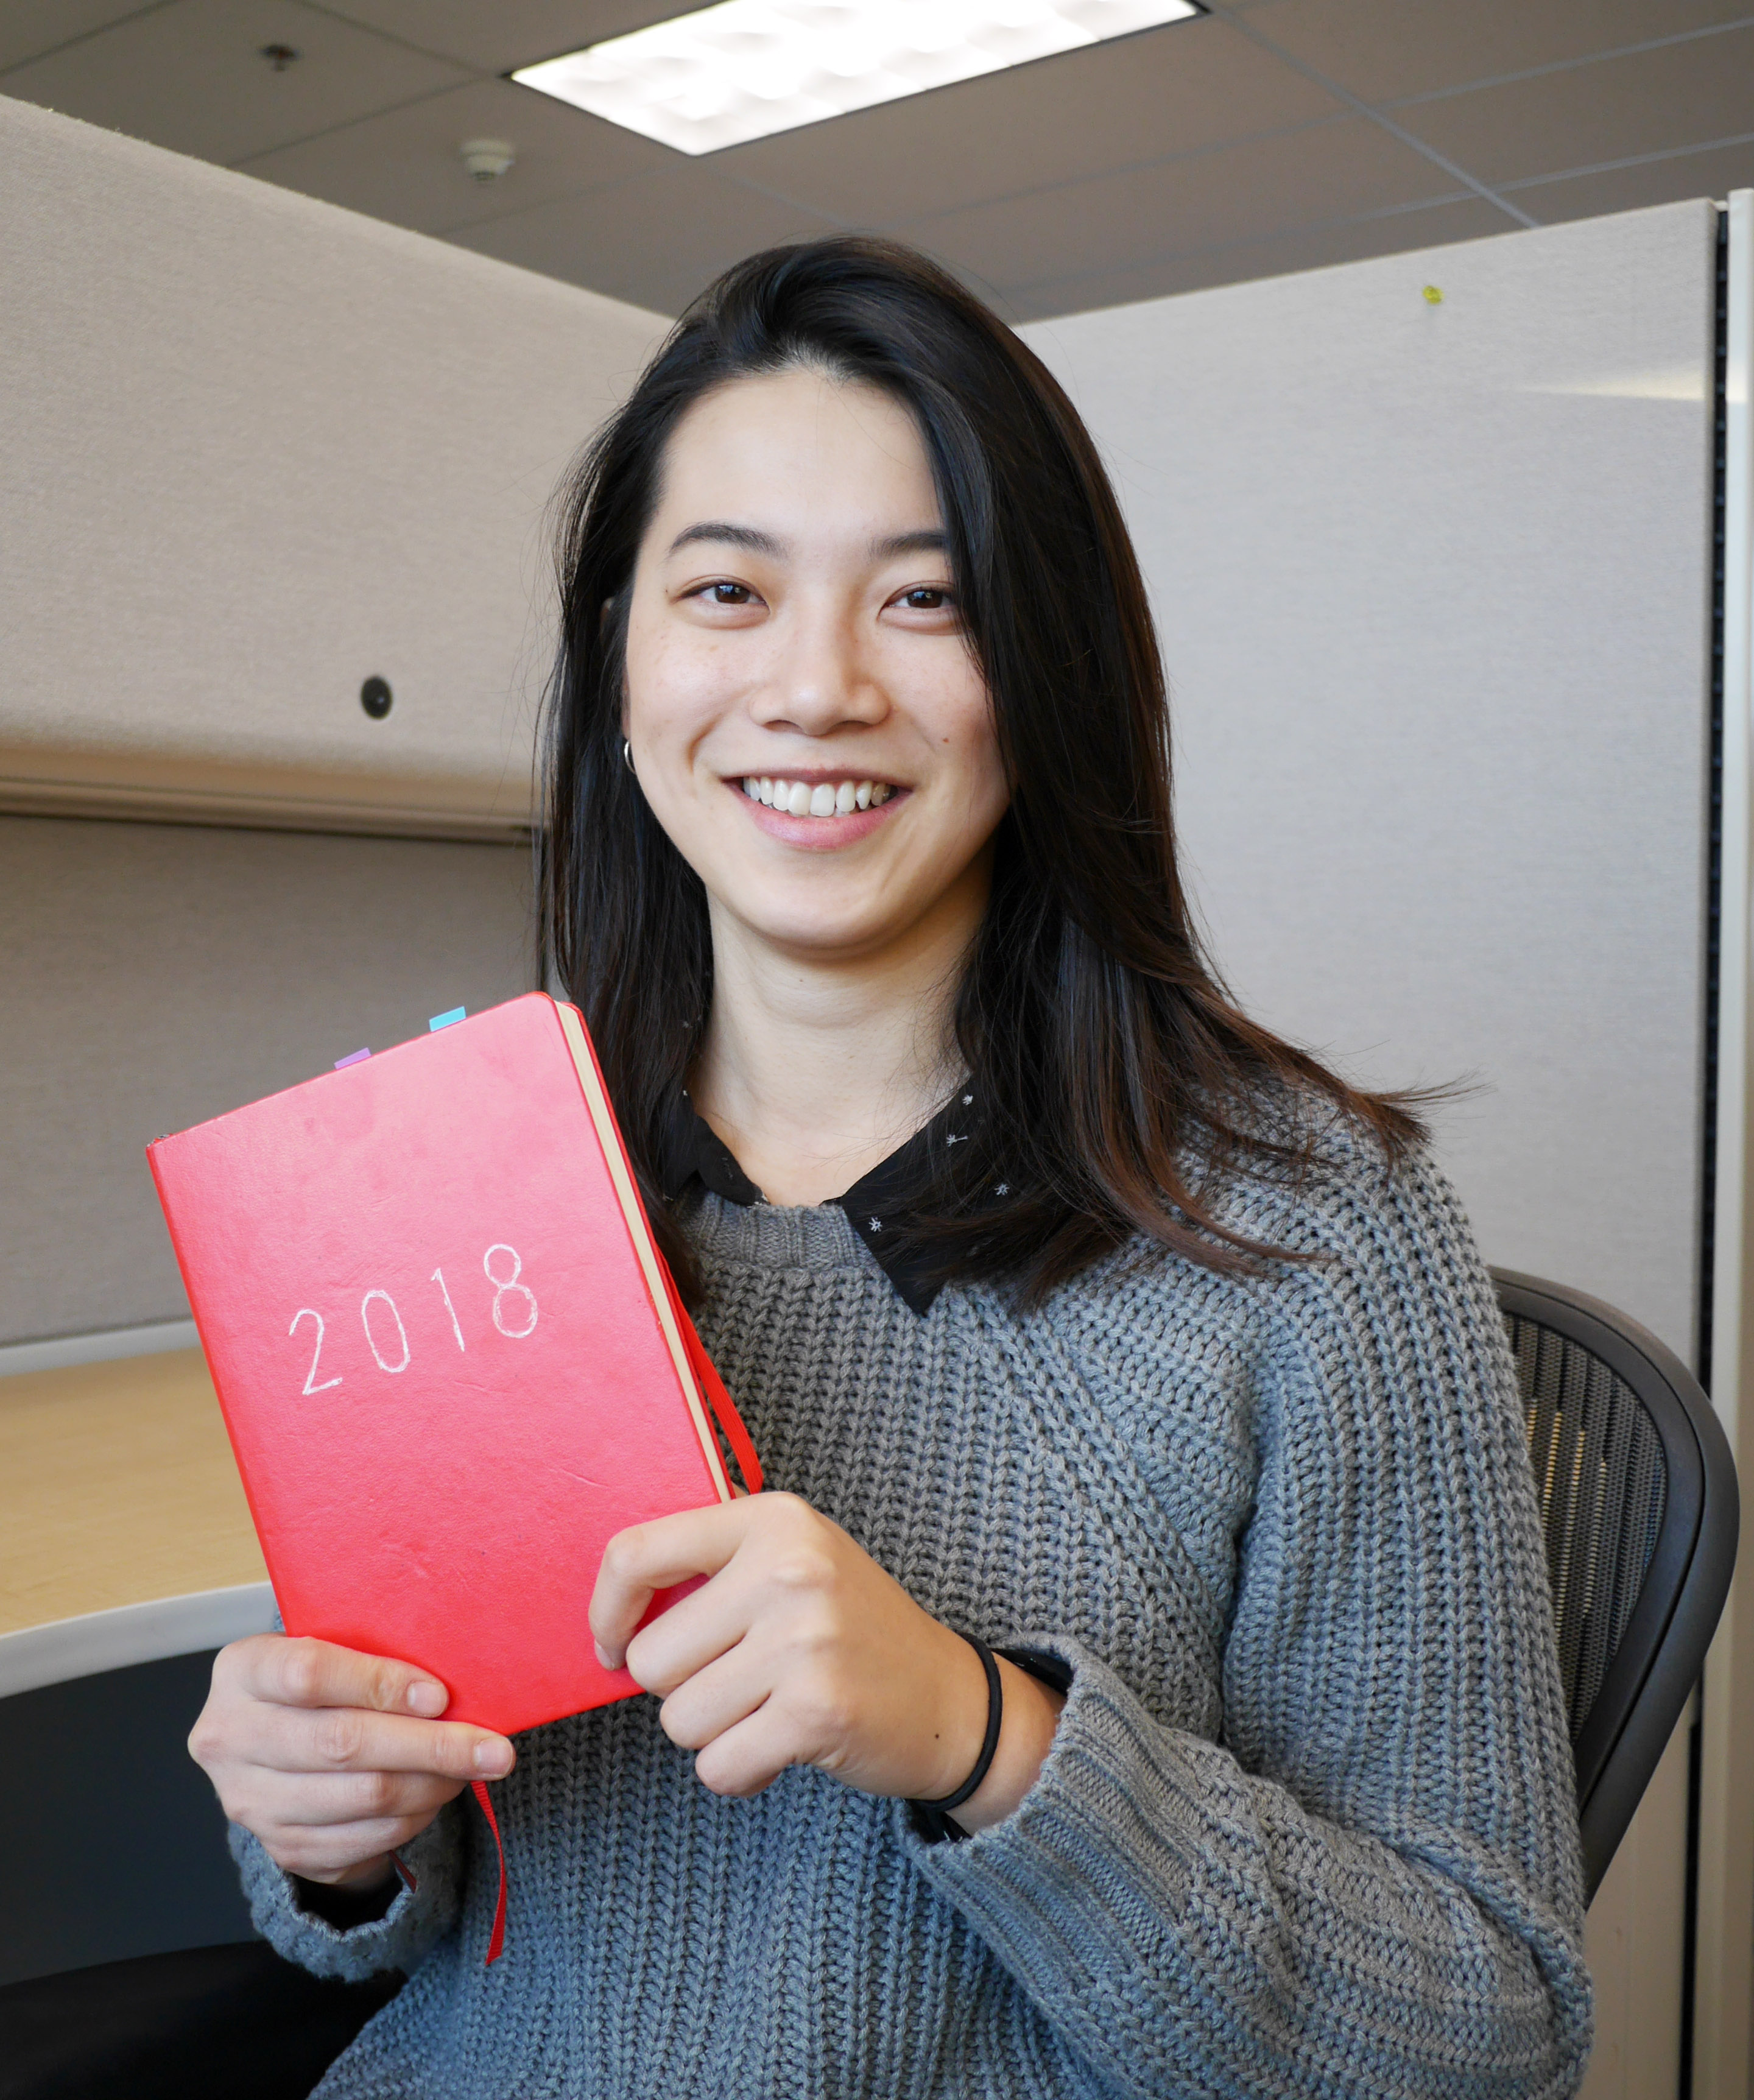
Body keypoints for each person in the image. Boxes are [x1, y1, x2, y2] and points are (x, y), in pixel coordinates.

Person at [189, 236, 1593, 2098]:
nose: (817, 687)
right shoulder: (471, 1196)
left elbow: (1490, 2027)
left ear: (1047, 673)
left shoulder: (1307, 1235)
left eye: (923, 601)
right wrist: (331, 1830)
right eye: (726, 591)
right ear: (621, 667)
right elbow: (452, 1898)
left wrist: (984, 1738)